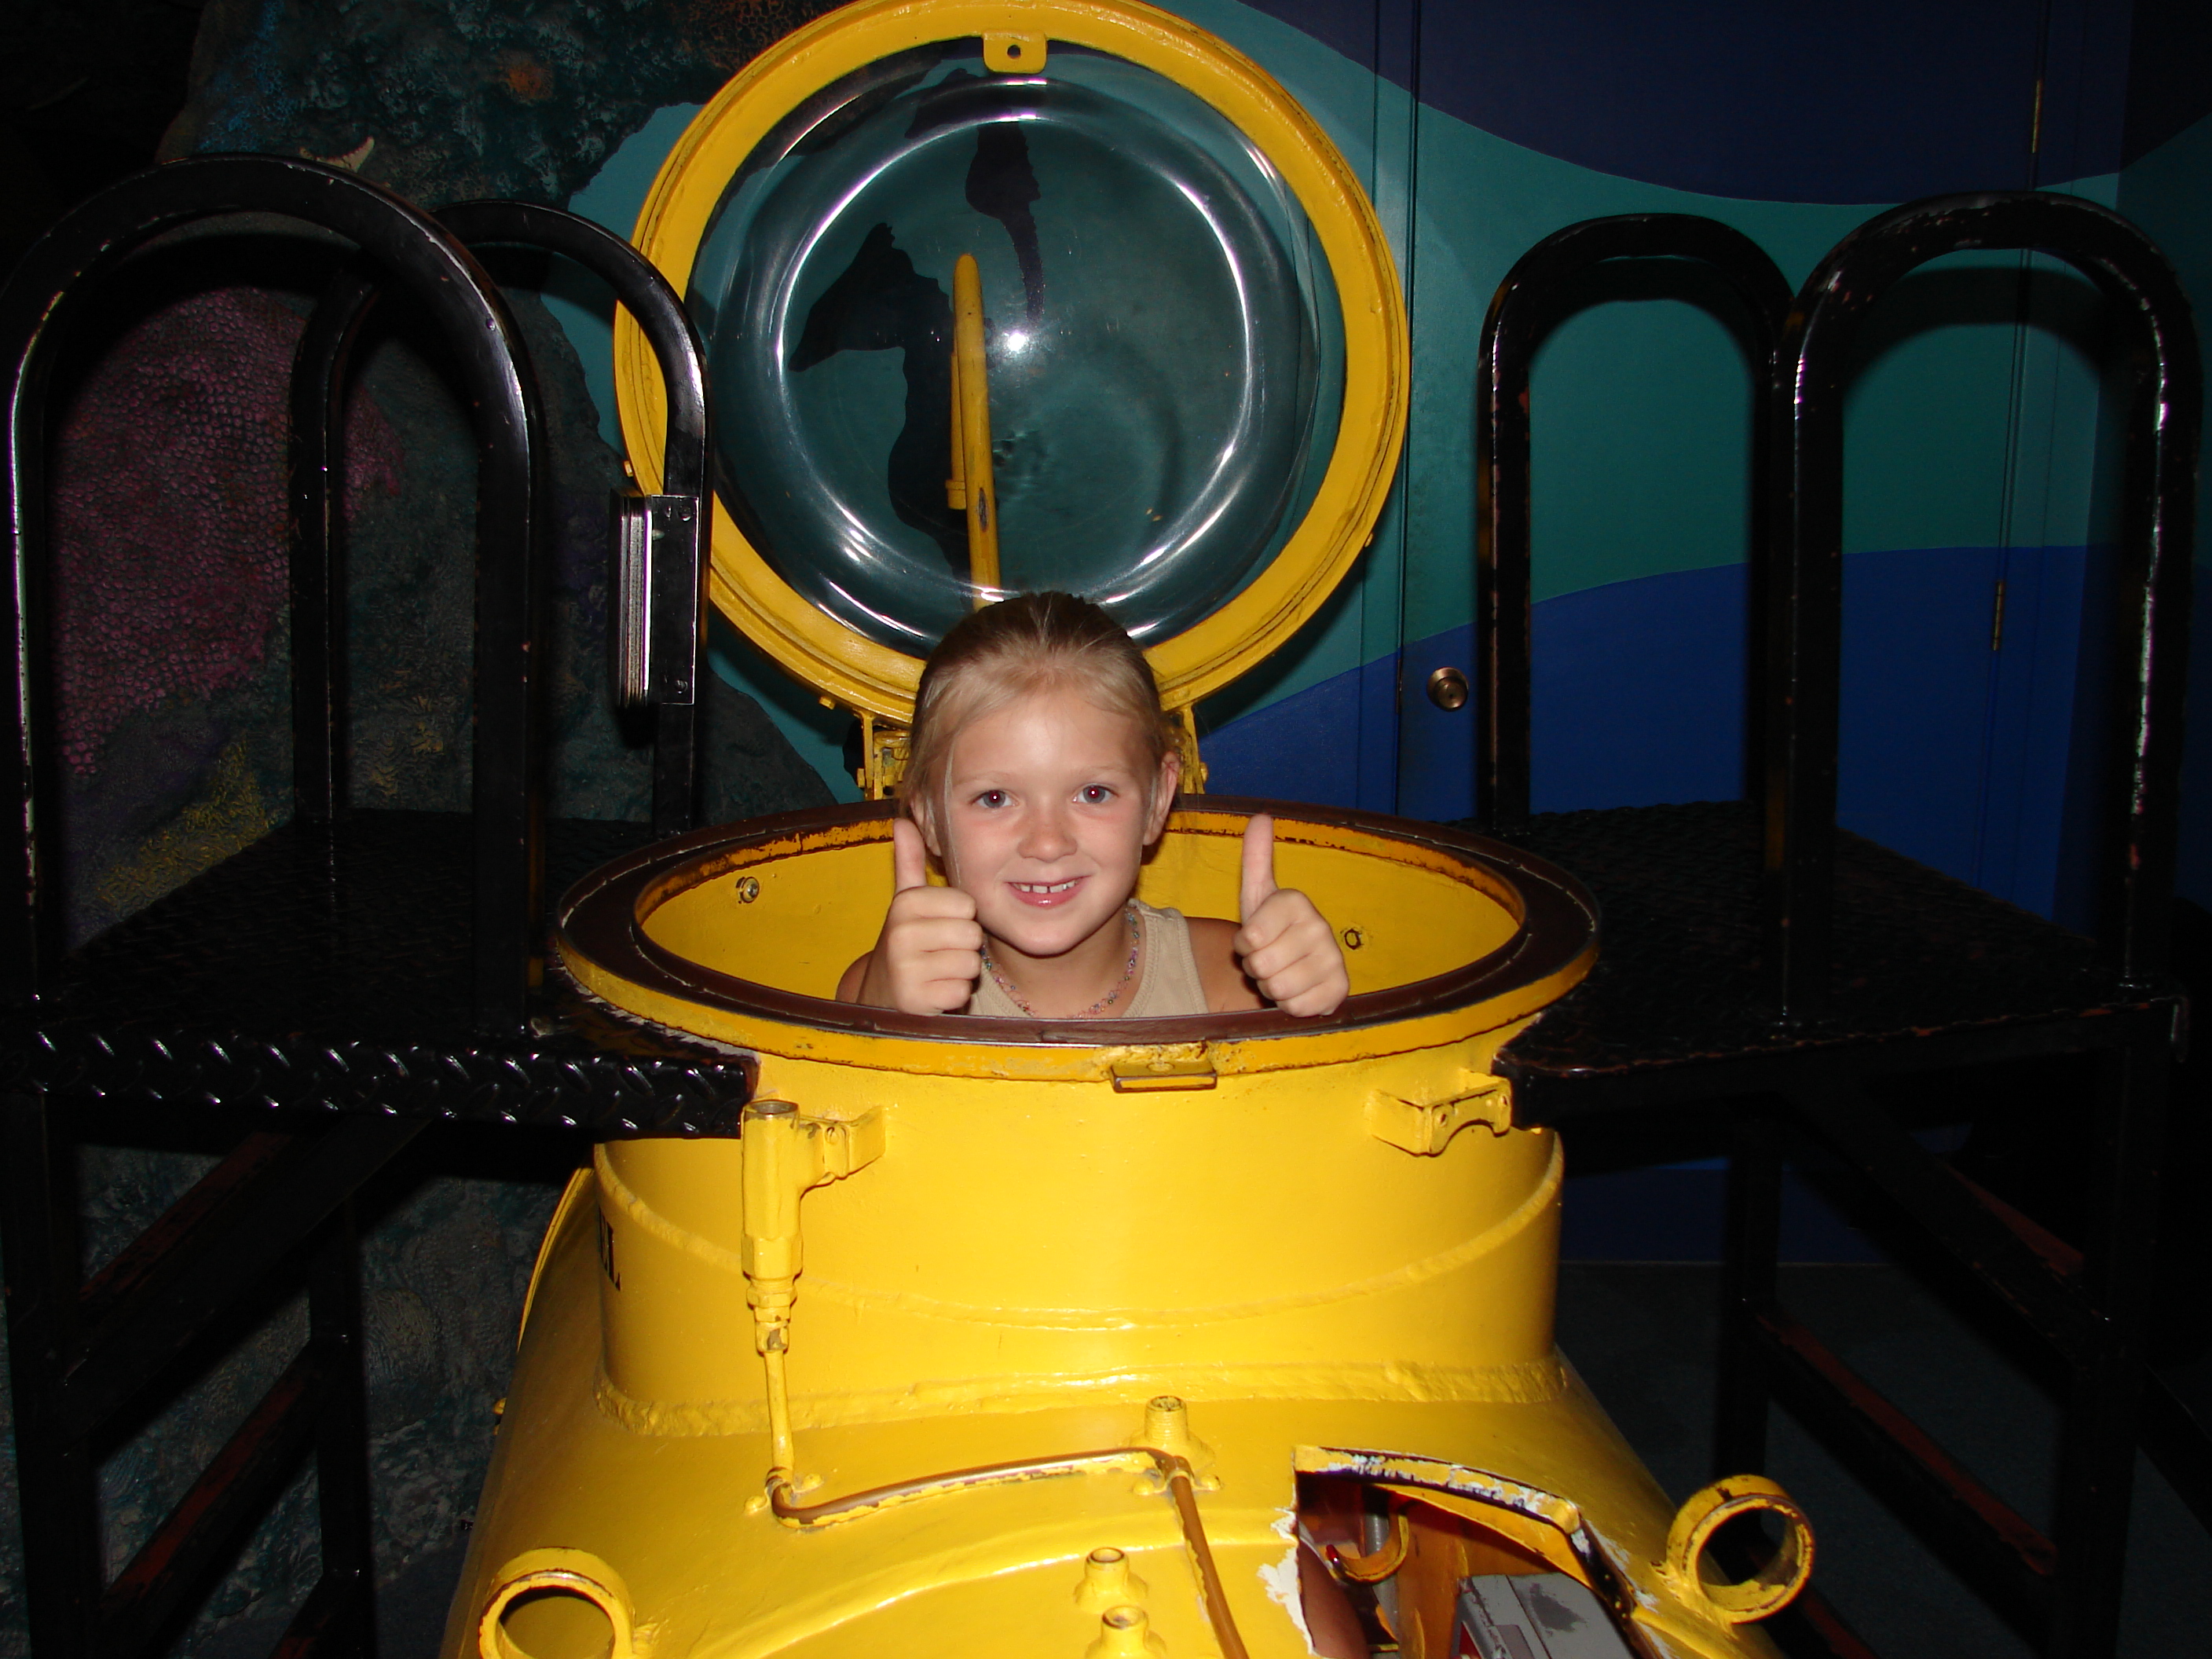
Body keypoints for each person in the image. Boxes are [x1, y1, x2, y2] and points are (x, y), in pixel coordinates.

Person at [837, 591, 1350, 1019]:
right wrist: (879, 1020)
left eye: (1093, 793)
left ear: (1157, 801)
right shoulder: (881, 988)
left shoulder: (1235, 985)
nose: (1047, 843)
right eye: (995, 798)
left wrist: (1313, 1015)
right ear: (928, 816)